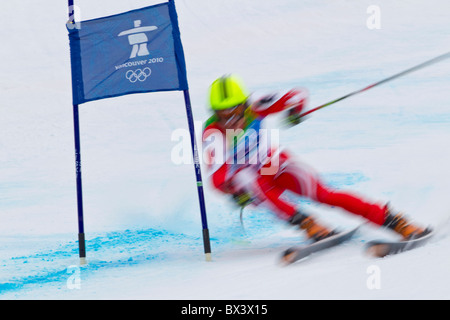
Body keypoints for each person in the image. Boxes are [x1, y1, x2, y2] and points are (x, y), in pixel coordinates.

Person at [202, 74, 429, 242]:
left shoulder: (257, 105)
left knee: (322, 192)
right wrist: (234, 192)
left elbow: (296, 95)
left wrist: (294, 111)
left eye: (233, 111)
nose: (229, 119)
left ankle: (393, 220)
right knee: (247, 179)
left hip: (271, 163)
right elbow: (218, 177)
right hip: (250, 179)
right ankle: (308, 225)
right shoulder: (213, 133)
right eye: (222, 114)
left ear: (244, 105)